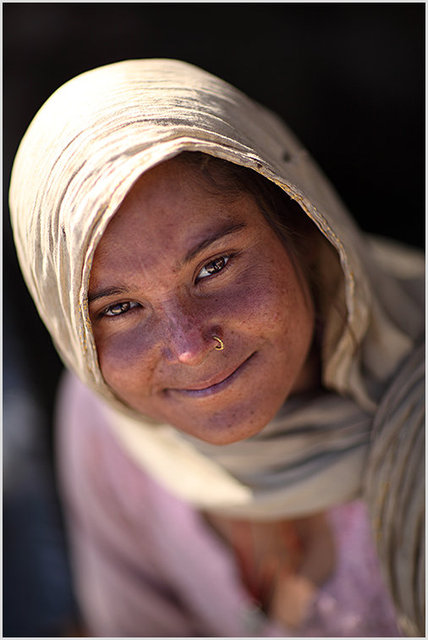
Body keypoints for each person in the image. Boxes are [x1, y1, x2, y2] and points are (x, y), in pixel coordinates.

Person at [9, 59, 424, 637]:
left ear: (304, 226)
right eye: (119, 309)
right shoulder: (109, 429)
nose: (188, 347)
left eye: (215, 266)